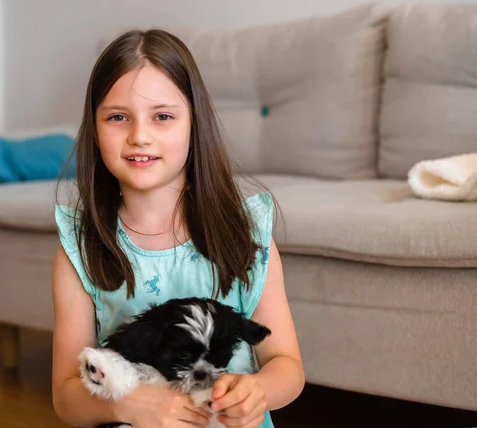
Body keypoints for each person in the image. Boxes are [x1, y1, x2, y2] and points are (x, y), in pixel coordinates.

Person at [51, 28, 305, 428]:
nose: (140, 136)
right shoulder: (82, 245)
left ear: (194, 123)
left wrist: (260, 391)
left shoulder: (246, 232)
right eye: (118, 117)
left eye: (163, 116)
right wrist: (126, 405)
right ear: (94, 129)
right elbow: (66, 397)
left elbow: (287, 366)